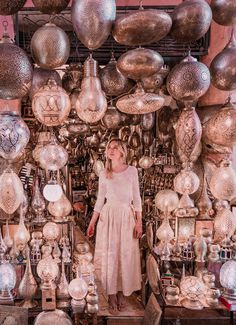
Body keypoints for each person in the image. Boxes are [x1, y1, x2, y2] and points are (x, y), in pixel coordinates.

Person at [87, 138, 142, 314]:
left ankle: (120, 295)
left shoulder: (132, 171)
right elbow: (99, 200)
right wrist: (92, 223)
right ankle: (111, 297)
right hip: (108, 218)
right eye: (109, 147)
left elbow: (137, 198)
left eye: (115, 147)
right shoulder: (104, 173)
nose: (110, 150)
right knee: (110, 257)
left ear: (122, 152)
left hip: (126, 217)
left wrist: (139, 222)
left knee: (124, 256)